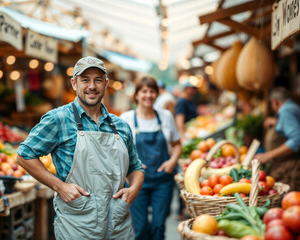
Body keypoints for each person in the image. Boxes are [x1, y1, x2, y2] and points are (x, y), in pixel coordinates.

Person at [16, 56, 144, 240]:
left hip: (118, 226)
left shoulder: (121, 126)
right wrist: (60, 187)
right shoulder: (59, 119)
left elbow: (135, 167)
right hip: (78, 225)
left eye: (98, 80)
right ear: (74, 84)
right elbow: (24, 155)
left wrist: (133, 190)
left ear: (106, 84)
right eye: (85, 80)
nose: (92, 86)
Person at [120, 76, 182, 240]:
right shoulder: (125, 119)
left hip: (162, 180)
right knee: (139, 229)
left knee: (158, 227)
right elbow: (116, 151)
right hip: (135, 183)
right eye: (144, 91)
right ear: (137, 95)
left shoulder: (166, 116)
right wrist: (129, 165)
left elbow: (177, 145)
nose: (148, 95)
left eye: (152, 91)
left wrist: (172, 161)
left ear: (157, 94)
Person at [254, 87, 300, 193]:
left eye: (272, 105)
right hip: (298, 166)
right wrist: (277, 122)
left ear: (275, 101)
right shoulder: (297, 109)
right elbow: (296, 128)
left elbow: (298, 140)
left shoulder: (285, 111)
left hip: (289, 171)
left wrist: (269, 155)